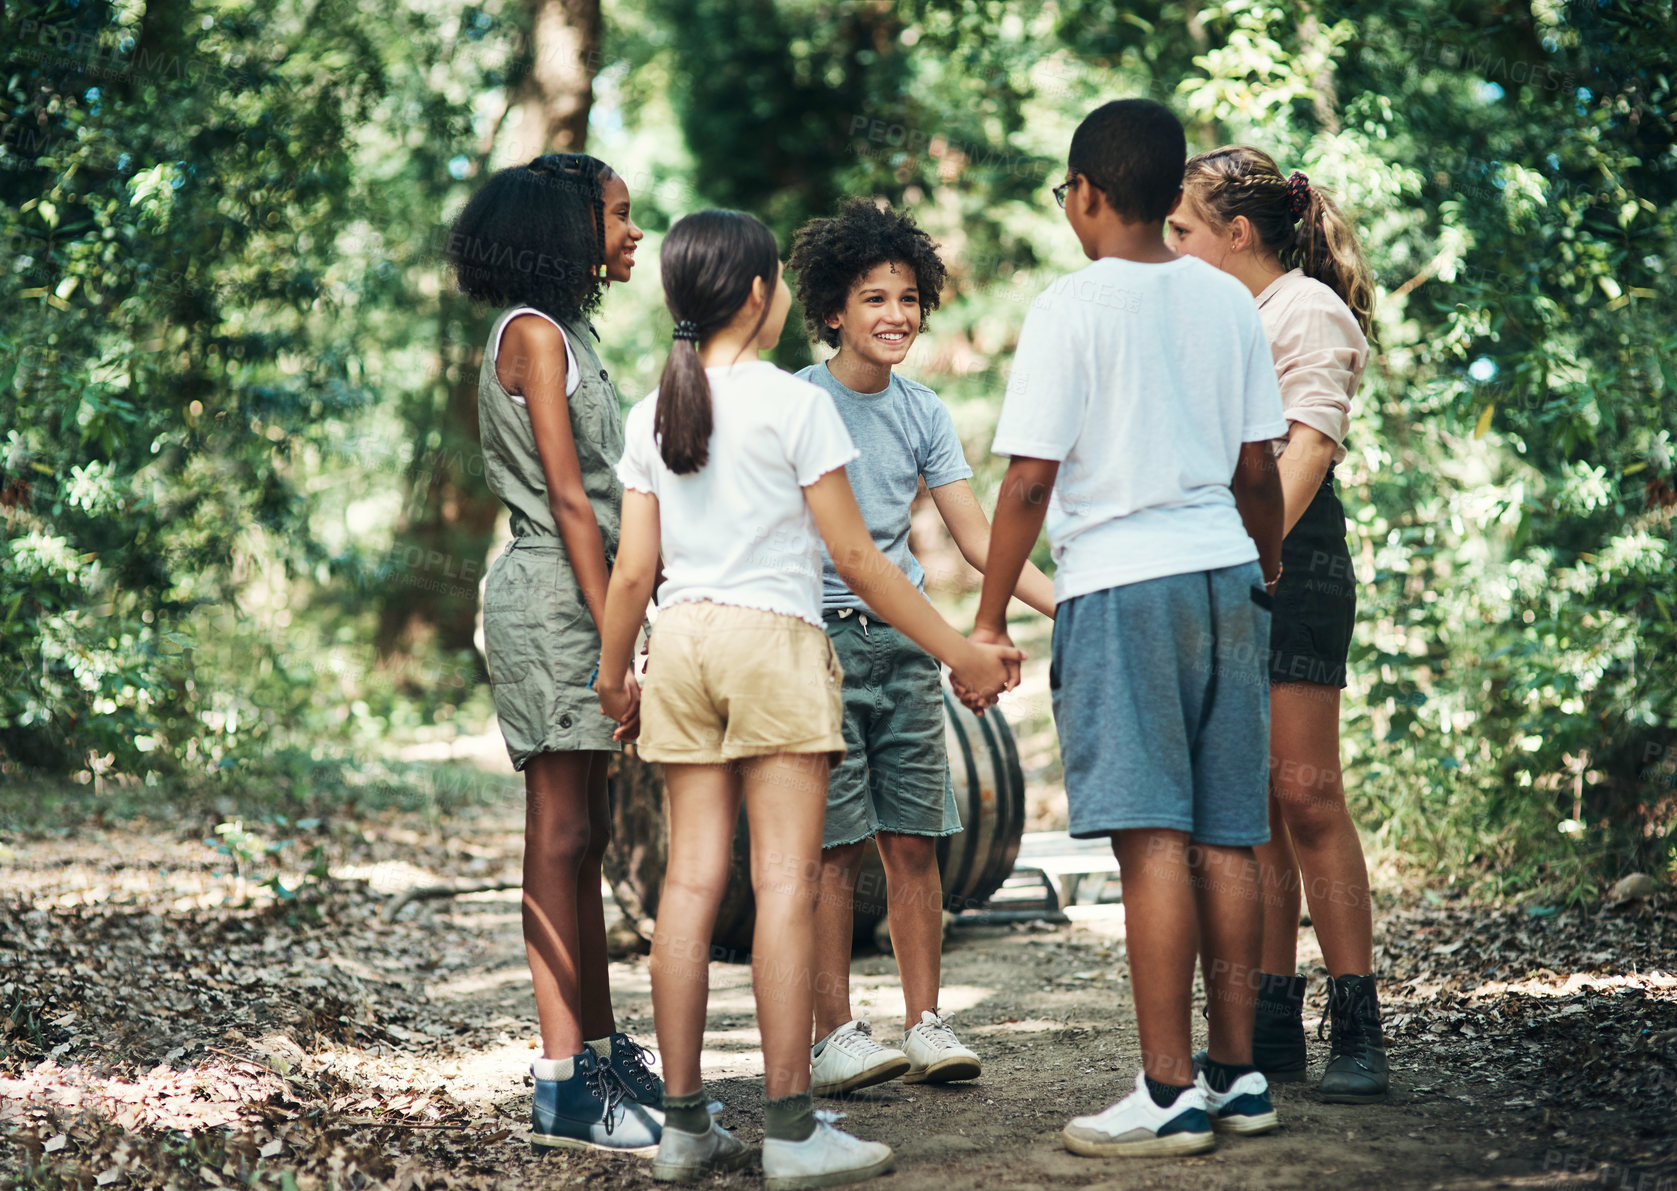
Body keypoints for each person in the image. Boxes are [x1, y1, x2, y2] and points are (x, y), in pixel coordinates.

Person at [595, 209, 1022, 1187]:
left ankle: (685, 1125)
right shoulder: (796, 406)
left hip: (683, 642)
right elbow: (862, 561)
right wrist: (963, 646)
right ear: (759, 295)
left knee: (689, 886)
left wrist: (616, 673)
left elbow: (632, 575)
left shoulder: (655, 411)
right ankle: (791, 1129)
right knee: (787, 883)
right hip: (775, 642)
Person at [974, 99, 1289, 1156]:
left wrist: (986, 616)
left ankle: (1165, 1093)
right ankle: (1238, 1076)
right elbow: (1256, 468)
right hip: (1225, 576)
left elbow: (1027, 482)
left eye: (1065, 191)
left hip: (1124, 584)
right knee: (1230, 834)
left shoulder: (1072, 307)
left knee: (1153, 838)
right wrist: (1268, 563)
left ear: (1090, 194)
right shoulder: (1228, 302)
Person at [786, 199, 1058, 1096]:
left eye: (907, 296)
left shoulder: (923, 411)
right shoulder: (796, 402)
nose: (894, 314)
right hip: (815, 647)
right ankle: (836, 1034)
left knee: (914, 840)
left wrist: (1069, 604)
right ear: (832, 309)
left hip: (903, 651)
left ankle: (926, 1021)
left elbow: (981, 541)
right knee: (834, 849)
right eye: (872, 298)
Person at [449, 152, 664, 1154]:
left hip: (588, 593)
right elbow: (572, 499)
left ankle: (605, 1054)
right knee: (559, 833)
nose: (633, 233)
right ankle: (560, 1083)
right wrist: (615, 633)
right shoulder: (531, 335)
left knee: (591, 839)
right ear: (563, 231)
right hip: (555, 597)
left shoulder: (569, 332)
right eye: (617, 217)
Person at [1168, 145, 1388, 1102]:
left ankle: (1357, 1021)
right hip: (1222, 552)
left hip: (1291, 561)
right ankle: (1268, 1016)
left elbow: (1306, 449)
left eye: (1182, 231)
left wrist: (1250, 555)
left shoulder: (1304, 307)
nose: (1168, 245)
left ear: (1236, 234)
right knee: (1250, 801)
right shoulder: (1216, 311)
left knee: (1304, 793)